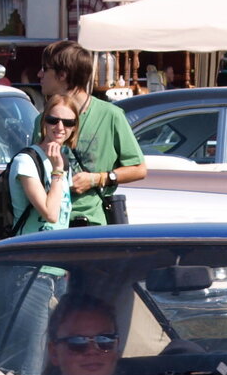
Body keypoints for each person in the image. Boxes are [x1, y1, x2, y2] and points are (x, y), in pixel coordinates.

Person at [38, 40, 146, 227]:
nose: (39, 74)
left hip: (92, 225)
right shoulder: (43, 119)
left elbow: (139, 169)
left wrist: (97, 179)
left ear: (62, 75)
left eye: (44, 69)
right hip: (49, 225)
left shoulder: (110, 115)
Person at [10, 92, 80, 235]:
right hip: (29, 248)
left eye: (68, 123)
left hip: (55, 248)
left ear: (74, 128)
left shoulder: (62, 160)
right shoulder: (26, 161)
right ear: (44, 122)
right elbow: (51, 214)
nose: (60, 127)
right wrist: (57, 171)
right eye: (53, 120)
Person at [43, 294, 121, 375]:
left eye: (104, 340)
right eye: (78, 342)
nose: (92, 351)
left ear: (117, 346)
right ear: (54, 353)